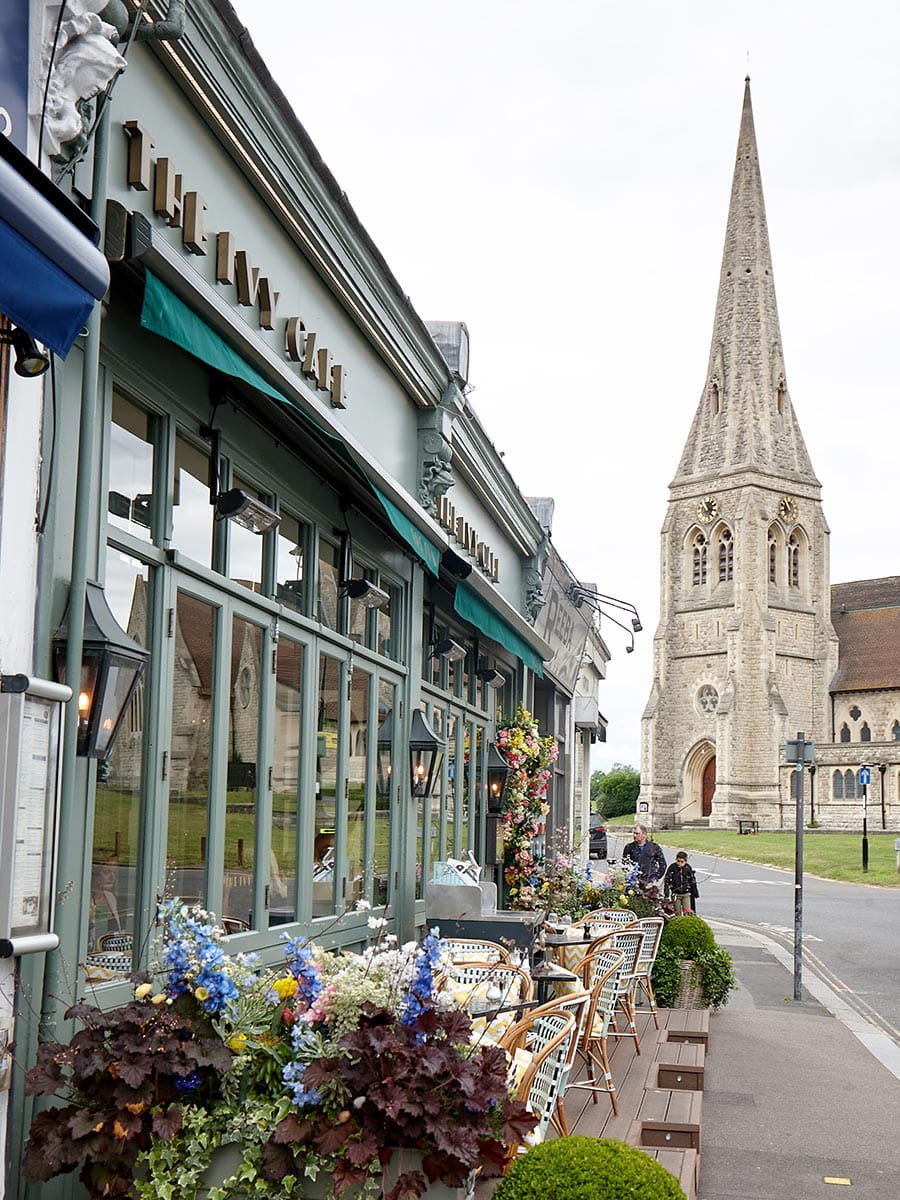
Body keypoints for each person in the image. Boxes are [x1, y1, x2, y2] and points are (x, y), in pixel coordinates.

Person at [663, 851, 700, 915]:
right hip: (676, 893)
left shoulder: (688, 868)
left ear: (685, 861)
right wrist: (667, 893)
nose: (679, 863)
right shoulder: (672, 867)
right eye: (678, 861)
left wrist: (695, 892)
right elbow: (667, 880)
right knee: (677, 912)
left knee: (687, 911)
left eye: (682, 861)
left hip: (686, 893)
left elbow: (692, 880)